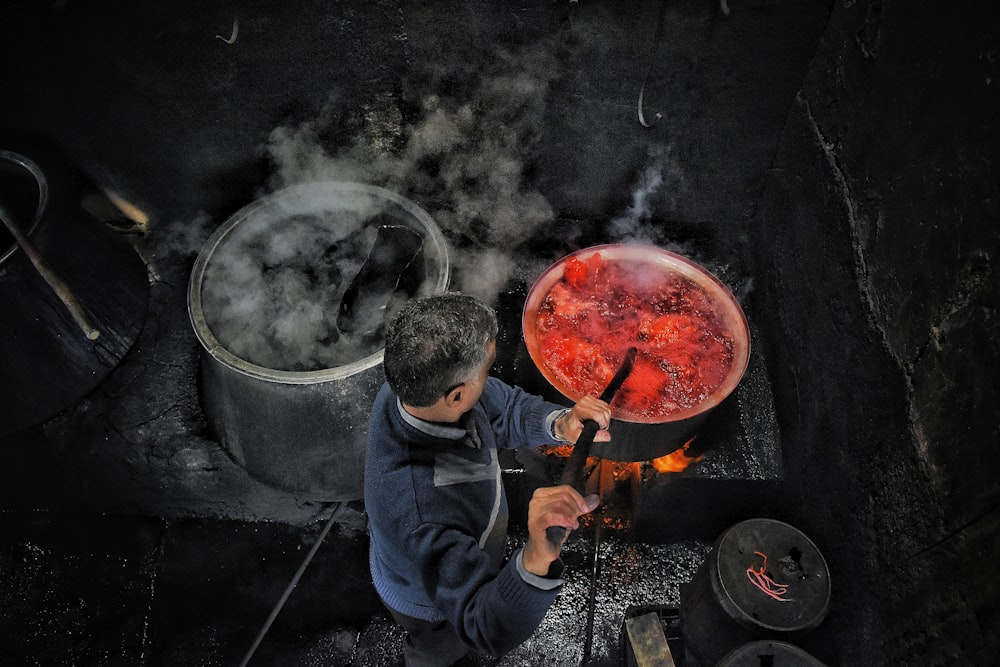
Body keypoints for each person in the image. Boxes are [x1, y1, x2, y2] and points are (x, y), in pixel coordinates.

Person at [364, 292, 613, 665]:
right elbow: (483, 625)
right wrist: (536, 555)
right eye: (486, 371)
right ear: (456, 395)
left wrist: (562, 424)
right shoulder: (421, 511)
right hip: (428, 603)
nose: (490, 378)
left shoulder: (415, 387)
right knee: (440, 648)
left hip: (440, 550)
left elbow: (502, 407)